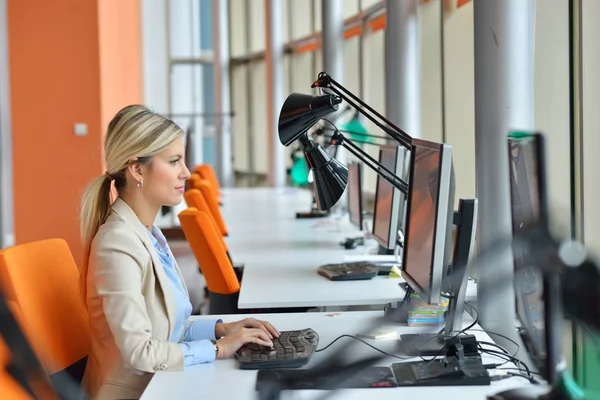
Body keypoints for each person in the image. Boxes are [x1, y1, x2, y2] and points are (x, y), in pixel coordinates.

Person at [79, 105, 279, 400]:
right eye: (174, 161)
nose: (185, 172)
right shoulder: (117, 243)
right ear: (137, 169)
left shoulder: (148, 234)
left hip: (163, 384)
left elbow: (170, 328)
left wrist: (224, 328)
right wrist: (218, 348)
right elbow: (140, 352)